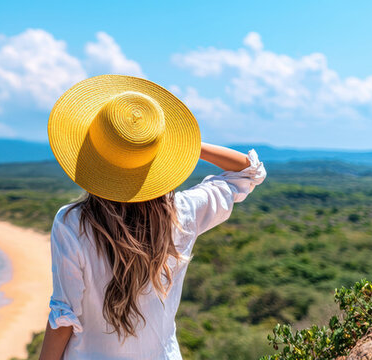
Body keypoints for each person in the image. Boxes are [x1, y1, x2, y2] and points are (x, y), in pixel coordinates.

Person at [40, 75, 266, 359]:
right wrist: (179, 144)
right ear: (161, 157)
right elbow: (249, 171)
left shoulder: (73, 223)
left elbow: (64, 318)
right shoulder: (182, 212)